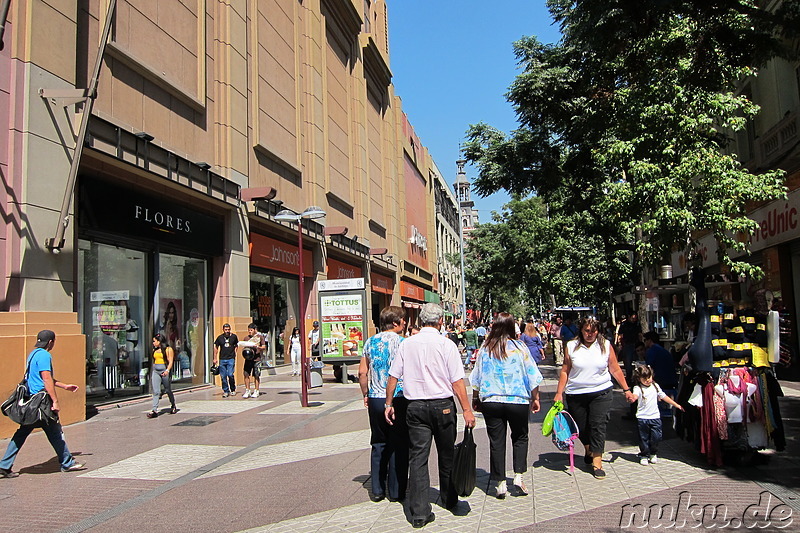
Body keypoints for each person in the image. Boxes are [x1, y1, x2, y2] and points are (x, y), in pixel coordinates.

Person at [385, 303, 475, 529]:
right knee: (447, 454)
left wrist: (388, 403)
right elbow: (457, 381)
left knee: (418, 458)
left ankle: (419, 512)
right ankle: (449, 498)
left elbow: (393, 376)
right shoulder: (447, 345)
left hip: (415, 408)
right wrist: (466, 409)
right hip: (443, 406)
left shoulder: (407, 345)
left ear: (421, 321)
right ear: (441, 321)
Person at [470, 313, 542, 499]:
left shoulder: (486, 348)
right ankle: (518, 475)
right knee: (520, 437)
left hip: (492, 400)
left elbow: (476, 377)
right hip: (517, 399)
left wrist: (475, 398)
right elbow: (532, 375)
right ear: (512, 327)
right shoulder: (520, 347)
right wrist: (535, 398)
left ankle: (500, 482)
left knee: (496, 441)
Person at [553, 317, 635, 478]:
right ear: (581, 331)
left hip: (601, 391)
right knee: (582, 427)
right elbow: (565, 370)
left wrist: (626, 389)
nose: (590, 334)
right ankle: (588, 449)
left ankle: (597, 461)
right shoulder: (571, 346)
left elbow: (615, 369)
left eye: (594, 330)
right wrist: (558, 393)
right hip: (576, 393)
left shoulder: (605, 345)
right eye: (587, 331)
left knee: (598, 425)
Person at [0, 330, 84, 477]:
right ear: (51, 342)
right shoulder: (45, 355)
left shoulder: (33, 354)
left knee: (23, 433)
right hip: (42, 403)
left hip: (32, 403)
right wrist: (55, 402)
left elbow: (42, 378)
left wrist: (64, 386)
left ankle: (4, 465)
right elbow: (46, 379)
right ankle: (67, 462)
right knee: (54, 432)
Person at [359, 306, 409, 503]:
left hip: (376, 398)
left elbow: (363, 372)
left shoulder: (370, 342)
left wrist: (366, 393)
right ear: (396, 322)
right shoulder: (404, 343)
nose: (405, 323)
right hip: (398, 397)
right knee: (398, 443)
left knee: (378, 442)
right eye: (403, 320)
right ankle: (396, 491)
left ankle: (377, 489)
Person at [630, 364, 684, 465]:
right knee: (643, 438)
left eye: (649, 377)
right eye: (644, 378)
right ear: (639, 378)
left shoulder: (655, 385)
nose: (648, 380)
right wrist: (632, 398)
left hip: (655, 416)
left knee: (656, 436)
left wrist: (676, 405)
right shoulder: (638, 388)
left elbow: (663, 396)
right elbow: (635, 396)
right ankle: (644, 454)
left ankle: (653, 452)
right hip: (642, 417)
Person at [147, 333, 177, 418]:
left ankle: (173, 404)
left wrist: (167, 370)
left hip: (164, 370)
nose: (153, 343)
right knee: (156, 391)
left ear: (159, 341)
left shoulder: (168, 349)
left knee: (167, 390)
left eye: (154, 341)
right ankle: (154, 409)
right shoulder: (155, 350)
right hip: (156, 370)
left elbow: (170, 361)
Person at [213, 323, 238, 397]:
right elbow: (216, 347)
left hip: (231, 358)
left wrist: (235, 353)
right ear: (223, 330)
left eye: (228, 329)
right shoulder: (220, 338)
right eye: (225, 329)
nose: (227, 331)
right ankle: (226, 390)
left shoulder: (233, 337)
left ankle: (233, 389)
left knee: (230, 374)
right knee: (223, 376)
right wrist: (215, 358)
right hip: (222, 359)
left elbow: (236, 345)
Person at [242, 323, 265, 398]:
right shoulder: (246, 338)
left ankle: (256, 390)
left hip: (256, 359)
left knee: (256, 375)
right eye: (249, 330)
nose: (250, 332)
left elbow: (264, 346)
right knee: (246, 374)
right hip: (248, 359)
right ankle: (247, 390)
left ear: (255, 330)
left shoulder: (259, 337)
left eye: (251, 330)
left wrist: (258, 347)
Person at [617, 312, 642, 383]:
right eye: (632, 318)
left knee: (639, 361)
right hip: (627, 345)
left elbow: (640, 334)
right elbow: (620, 335)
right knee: (628, 363)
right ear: (629, 317)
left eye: (635, 318)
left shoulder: (637, 324)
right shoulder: (624, 324)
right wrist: (620, 344)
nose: (634, 320)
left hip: (636, 344)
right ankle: (629, 378)